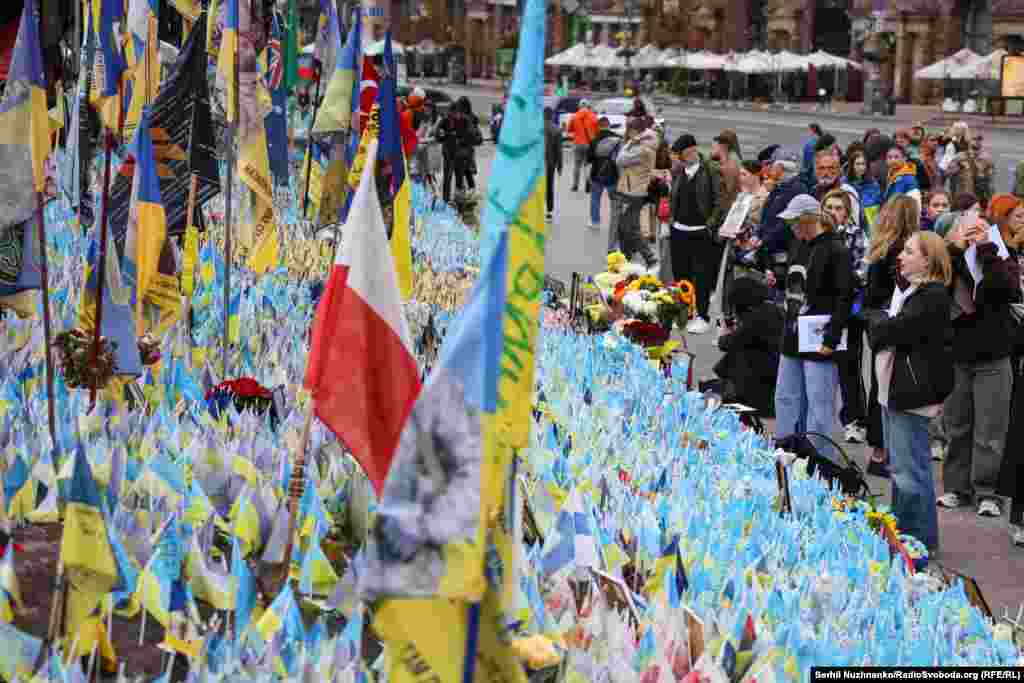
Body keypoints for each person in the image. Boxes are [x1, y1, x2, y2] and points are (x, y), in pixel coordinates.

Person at [863, 231, 954, 553]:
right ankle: (902, 532)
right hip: (896, 391)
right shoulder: (913, 292)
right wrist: (879, 323)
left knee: (910, 471)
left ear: (928, 260)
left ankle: (919, 541)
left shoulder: (932, 296)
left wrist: (877, 323)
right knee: (901, 467)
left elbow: (893, 330)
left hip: (911, 393)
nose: (901, 256)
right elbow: (884, 324)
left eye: (909, 251)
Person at [938, 198, 1021, 517]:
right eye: (967, 229)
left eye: (979, 228)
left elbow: (1002, 290)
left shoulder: (1002, 256)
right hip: (958, 352)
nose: (973, 234)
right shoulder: (952, 257)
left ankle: (988, 492)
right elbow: (940, 285)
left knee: (990, 429)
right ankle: (957, 487)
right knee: (957, 424)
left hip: (994, 354)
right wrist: (957, 249)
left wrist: (985, 250)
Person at [774, 195, 855, 464]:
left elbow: (845, 296)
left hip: (819, 336)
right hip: (793, 332)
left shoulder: (836, 249)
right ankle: (785, 452)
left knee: (819, 407)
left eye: (796, 221)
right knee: (786, 396)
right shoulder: (799, 243)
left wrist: (832, 337)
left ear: (810, 218)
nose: (792, 227)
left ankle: (821, 463)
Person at [863, 196, 921, 476]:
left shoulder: (880, 247)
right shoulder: (904, 252)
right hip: (892, 321)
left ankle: (878, 450)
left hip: (875, 320)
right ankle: (886, 450)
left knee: (879, 385)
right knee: (891, 387)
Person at [823, 189, 868, 445]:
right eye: (828, 207)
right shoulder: (817, 235)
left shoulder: (856, 235)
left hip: (848, 310)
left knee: (849, 367)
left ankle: (854, 420)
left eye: (838, 208)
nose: (832, 212)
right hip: (821, 311)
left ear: (847, 212)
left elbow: (861, 273)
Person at [667, 133, 722, 334]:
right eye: (682, 154)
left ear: (693, 150)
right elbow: (673, 196)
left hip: (700, 232)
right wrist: (672, 220)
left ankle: (702, 316)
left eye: (687, 152)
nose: (685, 157)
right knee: (681, 274)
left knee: (702, 276)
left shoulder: (710, 170)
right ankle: (684, 314)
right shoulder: (680, 171)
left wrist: (711, 223)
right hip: (679, 230)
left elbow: (719, 200)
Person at [714, 277, 783, 416]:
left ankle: (735, 397)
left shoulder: (754, 318)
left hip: (763, 371)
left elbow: (728, 343)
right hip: (775, 367)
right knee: (742, 351)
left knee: (738, 354)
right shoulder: (770, 309)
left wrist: (722, 335)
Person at [614, 116, 658, 270]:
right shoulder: (645, 144)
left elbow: (619, 159)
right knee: (627, 227)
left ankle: (648, 258)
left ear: (635, 131)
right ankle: (628, 258)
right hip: (634, 190)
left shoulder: (641, 148)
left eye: (629, 132)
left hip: (633, 192)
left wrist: (630, 143)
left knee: (629, 228)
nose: (627, 135)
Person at [437, 96, 482, 204]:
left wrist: (461, 139)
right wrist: (445, 135)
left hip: (462, 154)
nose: (456, 114)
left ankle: (462, 199)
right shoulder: (446, 120)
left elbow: (474, 136)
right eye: (453, 112)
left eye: (457, 112)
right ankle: (447, 200)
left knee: (463, 176)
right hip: (450, 153)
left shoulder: (466, 120)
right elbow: (438, 135)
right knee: (449, 178)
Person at [588, 116, 620, 234]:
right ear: (609, 125)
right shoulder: (618, 139)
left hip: (597, 174)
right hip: (613, 174)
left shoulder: (594, 140)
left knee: (595, 198)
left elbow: (589, 159)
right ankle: (615, 220)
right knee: (615, 200)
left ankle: (595, 221)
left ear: (599, 126)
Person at [844, 148, 882, 232]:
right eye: (858, 164)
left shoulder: (873, 184)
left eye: (863, 164)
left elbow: (878, 205)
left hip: (869, 225)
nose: (861, 167)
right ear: (852, 165)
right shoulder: (844, 183)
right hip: (851, 224)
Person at [568, 99, 599, 192]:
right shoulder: (593, 116)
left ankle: (575, 185)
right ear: (589, 106)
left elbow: (569, 129)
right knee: (588, 165)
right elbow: (597, 131)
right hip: (589, 144)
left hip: (577, 143)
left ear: (579, 106)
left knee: (577, 165)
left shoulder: (574, 116)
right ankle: (588, 186)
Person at [884, 144, 922, 210]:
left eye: (896, 157)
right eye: (889, 157)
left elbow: (916, 205)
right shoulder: (890, 175)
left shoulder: (909, 179)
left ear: (904, 158)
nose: (893, 160)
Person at [544, 106, 563, 222]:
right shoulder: (556, 129)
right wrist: (560, 166)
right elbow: (559, 150)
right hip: (550, 164)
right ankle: (549, 212)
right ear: (552, 116)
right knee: (549, 187)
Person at [801, 123, 823, 190]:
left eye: (808, 130)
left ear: (812, 130)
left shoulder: (811, 142)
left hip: (813, 175)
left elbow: (807, 163)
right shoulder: (822, 139)